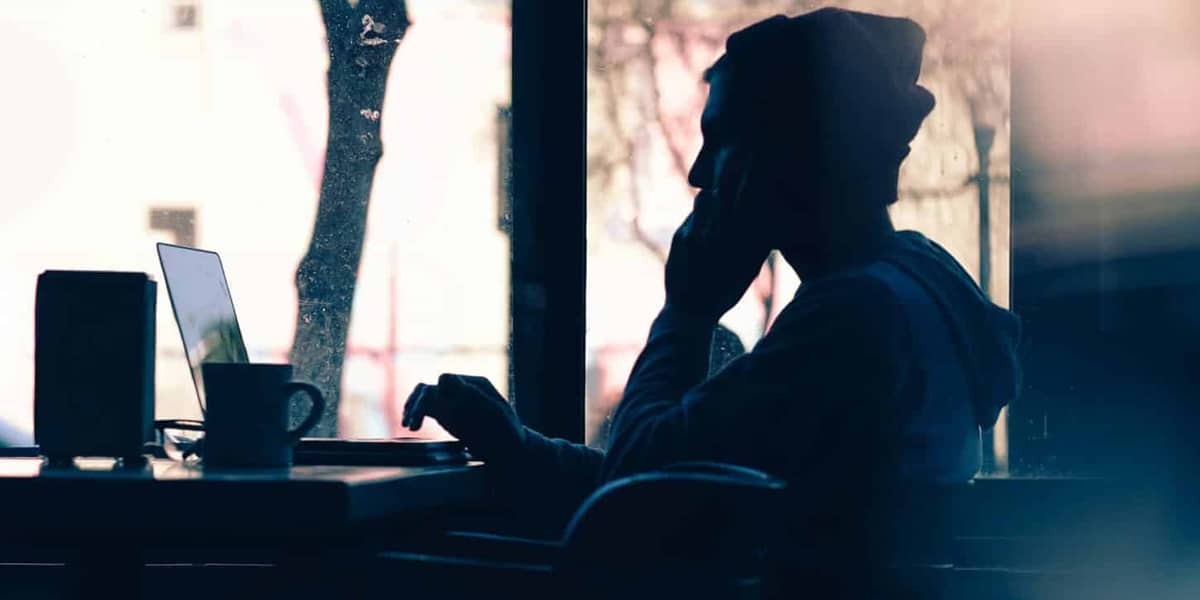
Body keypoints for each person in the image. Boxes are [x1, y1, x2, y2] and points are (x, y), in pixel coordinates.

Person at [403, 6, 1020, 591]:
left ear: (795, 150)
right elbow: (684, 473)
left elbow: (638, 492)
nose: (699, 173)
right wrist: (519, 449)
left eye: (721, 139)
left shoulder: (854, 320)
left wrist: (687, 313)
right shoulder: (907, 288)